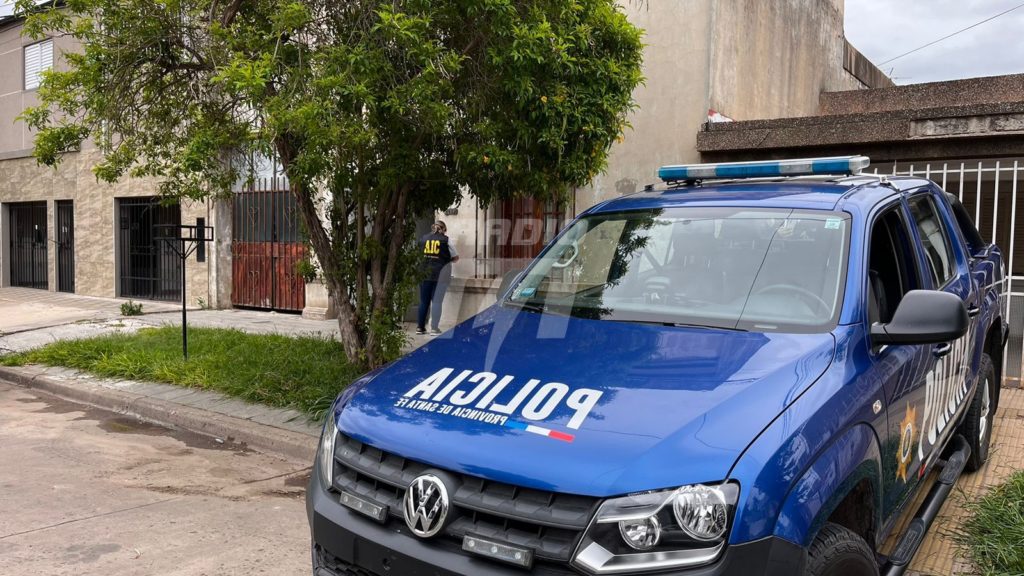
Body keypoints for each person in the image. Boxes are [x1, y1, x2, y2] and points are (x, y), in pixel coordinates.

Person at [417, 221, 459, 335]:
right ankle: (434, 329)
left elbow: (419, 254)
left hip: (424, 274)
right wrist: (446, 259)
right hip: (441, 275)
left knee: (424, 301)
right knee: (437, 302)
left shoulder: (424, 238)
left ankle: (420, 327)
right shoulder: (446, 240)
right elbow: (456, 257)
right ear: (443, 229)